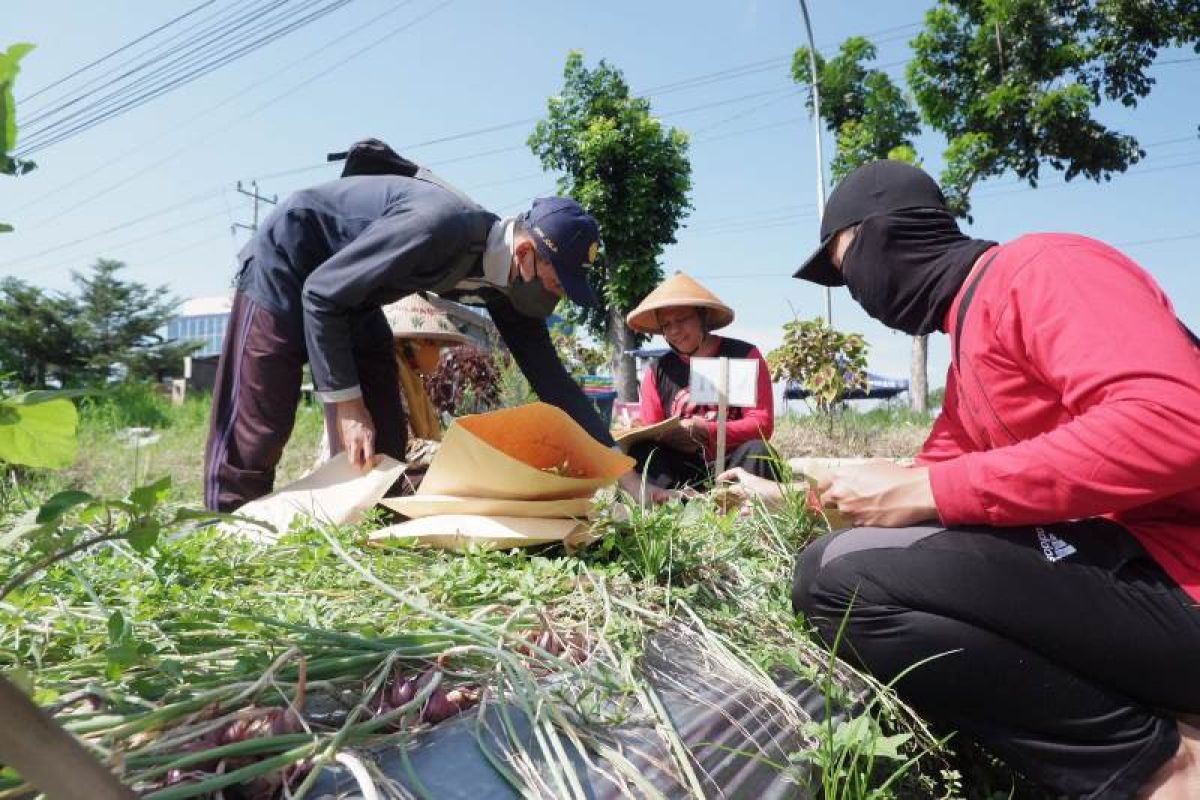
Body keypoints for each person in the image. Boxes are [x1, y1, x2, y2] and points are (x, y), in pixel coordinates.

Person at [721, 160, 1200, 798]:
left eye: (846, 266)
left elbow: (1174, 424)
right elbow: (922, 479)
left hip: (1180, 575)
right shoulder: (969, 349)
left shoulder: (1042, 269)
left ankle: (1162, 770)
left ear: (889, 237)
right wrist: (786, 499)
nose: (857, 293)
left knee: (842, 579)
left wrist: (925, 491)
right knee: (847, 567)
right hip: (1139, 583)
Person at [203, 164, 647, 511]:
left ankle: (362, 520)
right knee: (259, 426)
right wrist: (347, 408)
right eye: (556, 283)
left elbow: (555, 384)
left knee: (387, 440)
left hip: (352, 298)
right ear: (527, 254)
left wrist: (626, 478)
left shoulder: (507, 287)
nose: (556, 296)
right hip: (291, 260)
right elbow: (321, 294)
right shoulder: (441, 227)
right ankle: (227, 534)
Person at [623, 271, 776, 489]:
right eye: (666, 325)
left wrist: (706, 429)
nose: (674, 330)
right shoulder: (657, 372)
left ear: (703, 317)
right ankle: (672, 510)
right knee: (643, 452)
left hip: (734, 465)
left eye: (683, 319)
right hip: (681, 473)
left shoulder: (744, 355)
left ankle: (741, 511)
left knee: (760, 452)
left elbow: (762, 424)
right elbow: (651, 430)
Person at [313, 293, 467, 481]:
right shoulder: (388, 375)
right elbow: (406, 446)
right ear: (414, 344)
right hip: (358, 471)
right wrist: (454, 452)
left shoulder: (411, 380)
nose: (438, 352)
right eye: (432, 343)